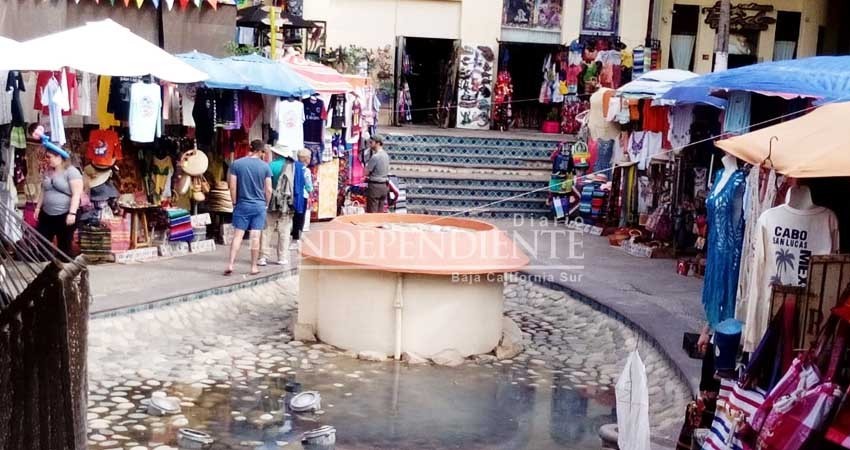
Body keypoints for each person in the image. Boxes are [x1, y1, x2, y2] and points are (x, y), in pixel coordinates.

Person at [225, 140, 273, 276]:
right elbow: (268, 189)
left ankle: (230, 264)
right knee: (255, 237)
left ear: (250, 149)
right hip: (259, 206)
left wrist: (234, 202)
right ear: (260, 151)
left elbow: (232, 186)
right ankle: (253, 267)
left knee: (237, 235)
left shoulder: (237, 164)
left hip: (242, 204)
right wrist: (266, 204)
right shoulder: (265, 167)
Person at [35, 145, 83, 256]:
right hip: (47, 213)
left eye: (49, 157)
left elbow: (76, 194)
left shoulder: (72, 172)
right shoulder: (48, 171)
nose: (47, 159)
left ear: (59, 157)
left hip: (65, 213)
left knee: (64, 247)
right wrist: (38, 207)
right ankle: (46, 267)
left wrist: (72, 213)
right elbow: (44, 190)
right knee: (42, 244)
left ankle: (63, 269)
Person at [259, 145, 295, 266]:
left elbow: (266, 186)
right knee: (284, 230)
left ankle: (262, 257)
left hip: (271, 201)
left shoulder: (270, 165)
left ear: (276, 154)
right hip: (286, 203)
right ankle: (282, 257)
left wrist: (265, 201)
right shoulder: (292, 167)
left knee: (267, 229)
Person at [290, 149, 313, 245]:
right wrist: (311, 192)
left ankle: (292, 236)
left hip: (292, 194)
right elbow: (308, 185)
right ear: (306, 159)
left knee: (292, 217)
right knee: (300, 217)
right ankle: (296, 238)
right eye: (309, 157)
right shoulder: (305, 170)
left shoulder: (292, 167)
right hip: (302, 195)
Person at [365, 134, 390, 213]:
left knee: (372, 211)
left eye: (371, 142)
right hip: (384, 186)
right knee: (380, 211)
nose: (370, 144)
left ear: (378, 143)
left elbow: (366, 172)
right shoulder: (386, 155)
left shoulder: (375, 157)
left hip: (375, 186)